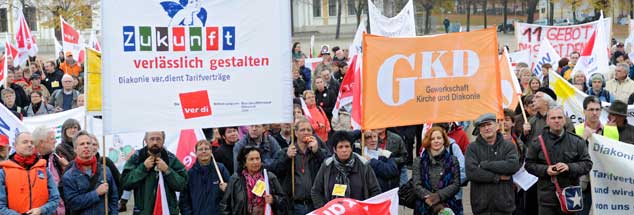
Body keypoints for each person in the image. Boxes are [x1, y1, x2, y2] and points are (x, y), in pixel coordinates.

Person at [525, 106, 593, 215]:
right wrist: (546, 170)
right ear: (547, 121)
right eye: (553, 118)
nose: (557, 120)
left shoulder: (577, 141)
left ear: (565, 120)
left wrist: (569, 167)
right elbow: (528, 165)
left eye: (560, 117)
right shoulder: (537, 142)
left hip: (570, 197)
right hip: (547, 199)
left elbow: (587, 164)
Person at [121, 131, 188, 215]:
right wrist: (143, 168)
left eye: (158, 139)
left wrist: (167, 170)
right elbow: (125, 183)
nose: (155, 142)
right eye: (152, 139)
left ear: (163, 141)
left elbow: (182, 185)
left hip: (166, 211)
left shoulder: (171, 159)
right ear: (145, 140)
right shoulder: (137, 157)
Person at [270, 119, 328, 214]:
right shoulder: (286, 152)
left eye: (309, 130)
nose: (306, 133)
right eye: (302, 130)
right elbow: (276, 171)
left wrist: (318, 152)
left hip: (314, 204)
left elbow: (329, 167)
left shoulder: (317, 150)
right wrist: (287, 157)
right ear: (296, 133)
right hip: (294, 205)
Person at [466, 113, 521, 215]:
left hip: (504, 205)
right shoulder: (472, 148)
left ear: (497, 126)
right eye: (483, 126)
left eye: (489, 124)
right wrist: (497, 177)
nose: (486, 128)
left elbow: (512, 166)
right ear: (479, 130)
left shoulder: (508, 146)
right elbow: (472, 173)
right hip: (481, 206)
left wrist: (485, 165)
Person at [311, 131, 381, 208]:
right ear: (334, 149)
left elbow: (375, 191)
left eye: (347, 146)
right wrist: (324, 210)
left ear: (351, 148)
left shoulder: (363, 164)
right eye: (340, 147)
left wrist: (365, 209)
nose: (344, 150)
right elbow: (316, 191)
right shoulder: (327, 165)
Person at [0, 132, 61, 215]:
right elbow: (1, 206)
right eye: (25, 142)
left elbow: (55, 198)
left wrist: (41, 210)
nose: (29, 145)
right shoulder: (4, 171)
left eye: (32, 142)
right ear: (15, 145)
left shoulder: (44, 169)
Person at [62, 130, 118, 214]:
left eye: (88, 143)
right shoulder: (69, 176)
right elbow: (73, 203)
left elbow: (114, 198)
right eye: (82, 144)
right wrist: (96, 193)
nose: (86, 146)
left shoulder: (105, 171)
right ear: (75, 149)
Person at [219, 146, 287, 215]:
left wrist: (274, 200)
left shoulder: (270, 177)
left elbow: (283, 201)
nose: (255, 162)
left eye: (258, 158)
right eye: (251, 159)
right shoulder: (235, 179)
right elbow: (224, 205)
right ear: (244, 162)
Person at [413, 127, 462, 215]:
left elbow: (456, 184)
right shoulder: (418, 161)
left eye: (439, 138)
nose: (436, 141)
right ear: (428, 141)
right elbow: (417, 185)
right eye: (432, 139)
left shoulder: (453, 160)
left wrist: (438, 196)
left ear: (444, 140)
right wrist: (432, 201)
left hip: (448, 206)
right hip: (424, 207)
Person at [179, 140, 230, 215]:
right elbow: (184, 200)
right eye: (200, 149)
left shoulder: (221, 169)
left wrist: (227, 188)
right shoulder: (190, 173)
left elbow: (233, 192)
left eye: (206, 149)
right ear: (195, 153)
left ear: (211, 151)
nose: (204, 151)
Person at [33, 126, 68, 215]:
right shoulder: (30, 161)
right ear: (41, 142)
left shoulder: (56, 159)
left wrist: (67, 168)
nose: (55, 141)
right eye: (52, 139)